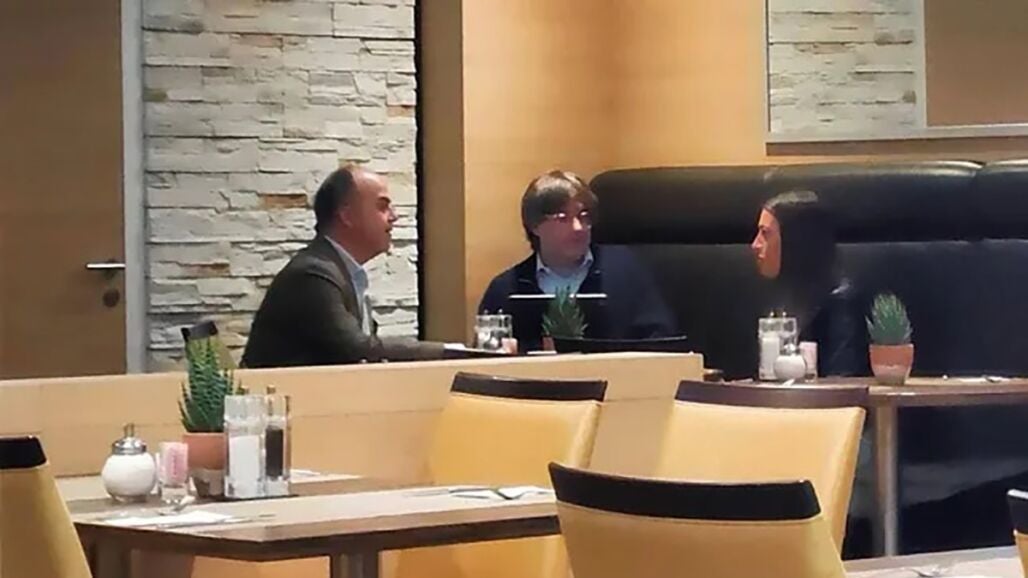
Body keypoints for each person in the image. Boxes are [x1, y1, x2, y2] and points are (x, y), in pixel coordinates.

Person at [242, 166, 445, 367]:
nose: (394, 216)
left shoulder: (343, 272)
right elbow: (358, 350)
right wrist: (447, 352)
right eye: (382, 207)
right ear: (347, 216)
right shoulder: (312, 275)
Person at [479, 170, 677, 351]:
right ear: (535, 225)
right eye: (562, 218)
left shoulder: (625, 271)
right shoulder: (505, 289)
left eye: (583, 216)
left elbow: (662, 341)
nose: (578, 227)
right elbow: (485, 359)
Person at [751, 190, 868, 377]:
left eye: (765, 234)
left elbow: (841, 383)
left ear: (796, 241)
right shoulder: (781, 296)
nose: (755, 245)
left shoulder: (840, 302)